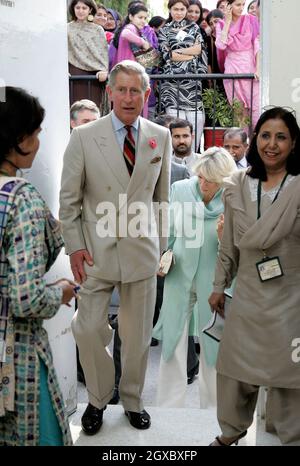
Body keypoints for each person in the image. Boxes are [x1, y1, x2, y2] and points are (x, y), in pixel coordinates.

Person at [59, 60, 171, 435]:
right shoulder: (84, 137)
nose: (127, 97)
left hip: (142, 253)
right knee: (88, 329)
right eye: (120, 89)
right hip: (95, 252)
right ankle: (97, 398)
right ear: (109, 93)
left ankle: (133, 400)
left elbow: (162, 200)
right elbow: (69, 201)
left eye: (134, 90)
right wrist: (74, 247)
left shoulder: (160, 136)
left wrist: (163, 247)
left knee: (137, 337)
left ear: (146, 93)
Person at [208, 107, 300, 446]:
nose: (272, 144)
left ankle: (292, 435)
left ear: (294, 143)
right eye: (265, 135)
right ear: (255, 139)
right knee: (234, 369)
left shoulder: (299, 185)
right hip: (247, 291)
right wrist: (219, 285)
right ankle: (230, 432)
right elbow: (229, 243)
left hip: (292, 294)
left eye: (281, 137)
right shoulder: (237, 184)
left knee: (291, 373)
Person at [0, 86, 76, 446]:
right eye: (35, 130)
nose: (39, 138)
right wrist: (59, 293)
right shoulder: (21, 199)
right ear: (18, 139)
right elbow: (26, 299)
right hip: (17, 363)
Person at [153, 147, 236, 408]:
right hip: (179, 273)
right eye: (200, 176)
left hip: (215, 280)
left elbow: (237, 248)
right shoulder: (180, 189)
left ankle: (213, 409)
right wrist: (163, 256)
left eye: (210, 180)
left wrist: (224, 239)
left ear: (223, 179)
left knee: (213, 343)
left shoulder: (234, 198)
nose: (203, 183)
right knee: (173, 340)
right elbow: (170, 231)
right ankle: (167, 406)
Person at [158, 0, 208, 149]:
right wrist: (189, 54)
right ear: (170, 10)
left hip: (193, 84)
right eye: (175, 9)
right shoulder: (164, 30)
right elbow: (168, 55)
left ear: (186, 10)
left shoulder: (194, 27)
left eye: (181, 9)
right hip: (172, 85)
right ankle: (175, 164)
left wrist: (178, 53)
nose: (179, 12)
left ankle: (192, 161)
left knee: (196, 125)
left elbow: (199, 49)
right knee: (176, 127)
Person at [215, 0, 260, 127]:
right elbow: (220, 45)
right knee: (239, 115)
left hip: (250, 66)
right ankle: (243, 145)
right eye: (238, 5)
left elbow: (258, 45)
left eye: (243, 5)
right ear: (229, 6)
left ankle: (255, 145)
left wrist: (258, 68)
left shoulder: (251, 20)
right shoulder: (222, 24)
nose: (241, 8)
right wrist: (228, 21)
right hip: (232, 68)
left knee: (256, 113)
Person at [68, 0, 108, 110]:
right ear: (73, 9)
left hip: (94, 77)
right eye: (78, 8)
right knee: (75, 111)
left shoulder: (97, 29)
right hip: (74, 75)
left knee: (92, 111)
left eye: (84, 8)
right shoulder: (66, 29)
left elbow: (102, 52)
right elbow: (62, 52)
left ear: (90, 10)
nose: (80, 11)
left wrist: (103, 70)